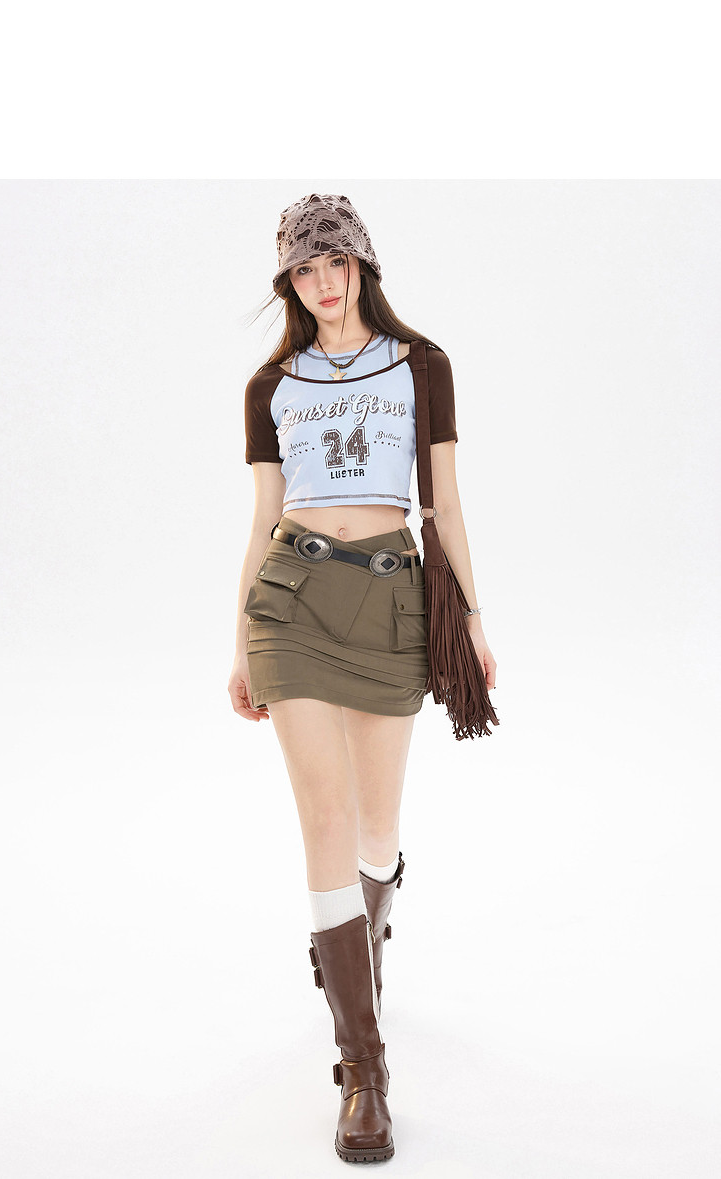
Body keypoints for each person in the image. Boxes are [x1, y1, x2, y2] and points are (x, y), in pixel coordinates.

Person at [228, 193, 497, 1164]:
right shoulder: (270, 385)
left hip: (389, 598)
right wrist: (240, 639)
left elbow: (446, 505)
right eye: (303, 270)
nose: (322, 283)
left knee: (377, 828)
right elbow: (264, 515)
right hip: (292, 601)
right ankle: (364, 1067)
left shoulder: (422, 366)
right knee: (326, 821)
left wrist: (472, 621)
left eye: (334, 262)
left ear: (363, 266)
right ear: (289, 282)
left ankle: (360, 940)